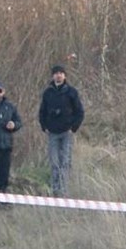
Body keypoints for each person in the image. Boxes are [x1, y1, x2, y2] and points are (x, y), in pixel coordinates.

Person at [37, 64, 85, 197]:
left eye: (61, 73)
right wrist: (44, 127)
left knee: (65, 161)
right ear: (52, 76)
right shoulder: (48, 93)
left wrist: (73, 128)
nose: (58, 75)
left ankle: (64, 191)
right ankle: (55, 190)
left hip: (67, 132)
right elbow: (42, 112)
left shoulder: (71, 92)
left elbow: (80, 112)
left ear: (65, 76)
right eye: (56, 73)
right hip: (52, 132)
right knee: (54, 162)